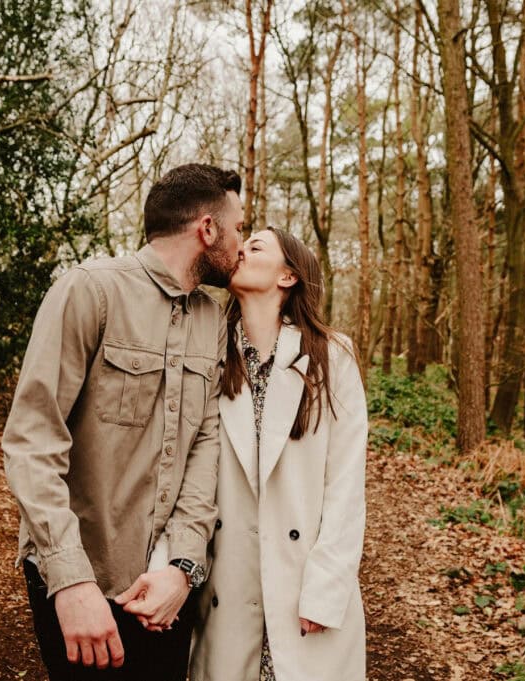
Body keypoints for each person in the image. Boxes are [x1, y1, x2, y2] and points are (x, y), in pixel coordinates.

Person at [2, 163, 244, 680]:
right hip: (81, 576)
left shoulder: (212, 319)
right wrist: (71, 582)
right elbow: (31, 441)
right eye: (238, 227)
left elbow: (205, 445)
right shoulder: (89, 291)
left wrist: (182, 567)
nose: (242, 244)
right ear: (207, 229)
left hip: (164, 587)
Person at [189, 227, 368, 681]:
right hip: (227, 588)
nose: (240, 249)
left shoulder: (331, 356)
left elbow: (346, 486)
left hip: (304, 592)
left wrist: (327, 590)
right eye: (243, 243)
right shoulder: (210, 352)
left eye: (257, 246)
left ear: (288, 276)